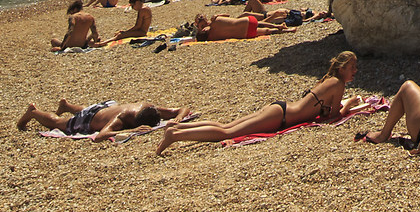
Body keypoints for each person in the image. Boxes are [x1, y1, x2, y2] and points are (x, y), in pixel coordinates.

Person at [152, 51, 359, 155]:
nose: (354, 71)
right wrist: (348, 105)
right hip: (281, 116)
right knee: (227, 133)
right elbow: (332, 117)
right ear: (341, 68)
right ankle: (176, 135)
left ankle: (178, 126)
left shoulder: (330, 80)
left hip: (280, 108)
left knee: (227, 126)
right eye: (351, 67)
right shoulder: (337, 83)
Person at [17, 97, 189, 140]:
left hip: (105, 107)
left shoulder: (148, 108)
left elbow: (183, 109)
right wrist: (131, 131)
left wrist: (178, 119)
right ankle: (33, 112)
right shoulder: (121, 118)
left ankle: (67, 106)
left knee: (90, 110)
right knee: (58, 123)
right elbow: (100, 136)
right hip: (91, 118)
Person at [189, 12, 266, 41]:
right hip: (238, 27)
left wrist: (218, 15)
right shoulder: (204, 29)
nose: (204, 26)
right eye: (202, 26)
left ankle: (269, 19)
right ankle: (273, 25)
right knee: (261, 28)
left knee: (259, 24)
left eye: (204, 24)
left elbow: (228, 15)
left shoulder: (213, 20)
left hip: (235, 24)